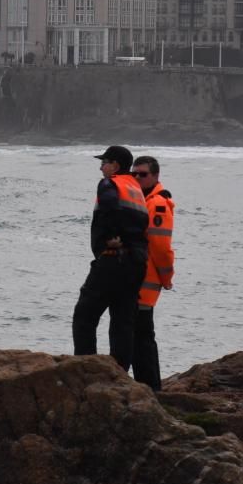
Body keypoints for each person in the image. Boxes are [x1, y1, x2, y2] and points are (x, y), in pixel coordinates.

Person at [72, 145, 149, 371]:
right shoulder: (136, 188)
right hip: (136, 263)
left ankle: (85, 370)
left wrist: (113, 237)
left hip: (113, 259)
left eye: (104, 162)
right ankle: (119, 374)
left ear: (115, 165)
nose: (101, 167)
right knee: (122, 322)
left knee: (84, 316)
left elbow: (108, 206)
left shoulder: (110, 183)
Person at [130, 156, 175, 391]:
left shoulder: (157, 203)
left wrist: (166, 278)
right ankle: (146, 385)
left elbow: (160, 247)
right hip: (136, 280)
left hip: (145, 282)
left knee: (143, 337)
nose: (137, 177)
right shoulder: (141, 199)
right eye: (134, 173)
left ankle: (151, 388)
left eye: (143, 174)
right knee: (136, 336)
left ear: (156, 176)